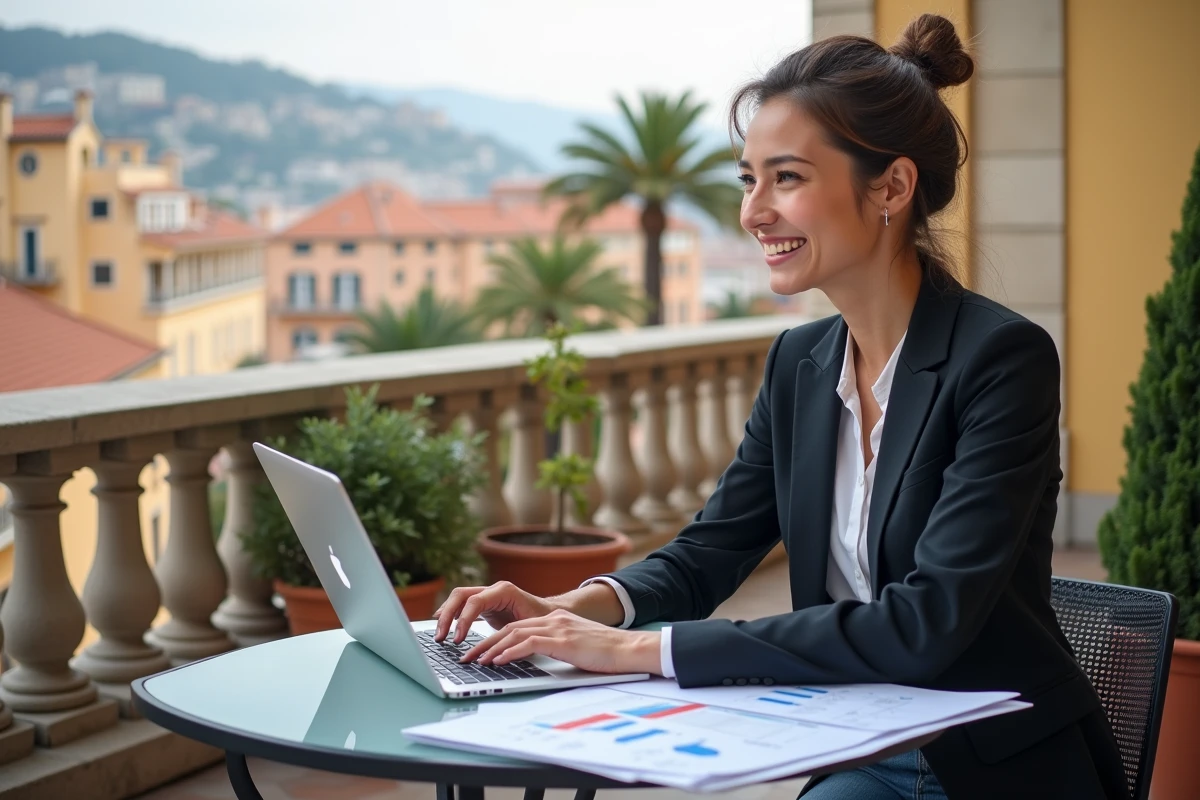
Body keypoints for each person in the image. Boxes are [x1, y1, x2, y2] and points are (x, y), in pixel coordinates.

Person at [432, 13, 1128, 800]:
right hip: (855, 743)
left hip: (988, 765)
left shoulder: (1001, 360)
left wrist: (637, 652)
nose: (753, 211)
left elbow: (925, 621)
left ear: (893, 186)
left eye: (787, 178)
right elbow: (709, 550)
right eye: (747, 179)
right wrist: (573, 607)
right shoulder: (801, 362)